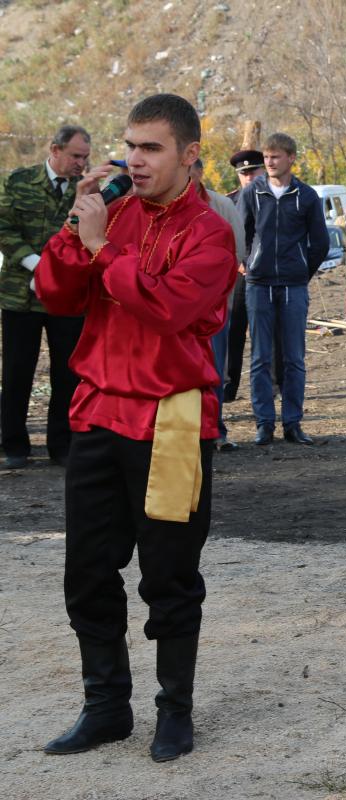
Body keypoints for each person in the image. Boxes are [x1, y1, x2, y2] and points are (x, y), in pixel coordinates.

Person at [36, 93, 237, 761]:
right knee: (88, 572)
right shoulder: (110, 214)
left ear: (188, 155)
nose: (135, 160)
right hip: (97, 413)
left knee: (169, 575)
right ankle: (106, 707)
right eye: (130, 146)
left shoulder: (211, 231)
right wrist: (75, 231)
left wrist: (98, 248)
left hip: (172, 419)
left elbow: (168, 309)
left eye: (151, 148)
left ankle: (173, 711)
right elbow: (57, 296)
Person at [0, 124, 91, 469]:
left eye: (84, 157)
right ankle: (14, 444)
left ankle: (62, 444)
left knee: (67, 371)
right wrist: (37, 265)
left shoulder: (86, 193)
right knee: (17, 370)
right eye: (75, 156)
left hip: (67, 297)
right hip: (20, 295)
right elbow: (3, 227)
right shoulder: (20, 182)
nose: (80, 163)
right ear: (55, 150)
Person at [240, 132, 329, 446]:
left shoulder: (306, 197)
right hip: (258, 284)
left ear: (291, 158)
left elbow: (320, 242)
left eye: (276, 156)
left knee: (294, 357)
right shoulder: (252, 193)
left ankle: (293, 423)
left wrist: (301, 271)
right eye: (266, 157)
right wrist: (249, 262)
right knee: (261, 357)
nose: (270, 162)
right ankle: (264, 424)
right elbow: (242, 233)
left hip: (293, 284)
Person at [190, 158, 246, 452]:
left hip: (213, 305)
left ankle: (214, 429)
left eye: (192, 172)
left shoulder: (221, 205)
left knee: (214, 368)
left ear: (199, 171)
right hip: (179, 306)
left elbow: (236, 249)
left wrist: (216, 292)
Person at [223, 149, 271, 402]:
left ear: (263, 171)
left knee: (268, 333)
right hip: (239, 275)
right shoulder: (228, 202)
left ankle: (272, 386)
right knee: (234, 330)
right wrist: (237, 263)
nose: (249, 177)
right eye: (244, 174)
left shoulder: (274, 198)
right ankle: (229, 386)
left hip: (268, 276)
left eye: (253, 171)